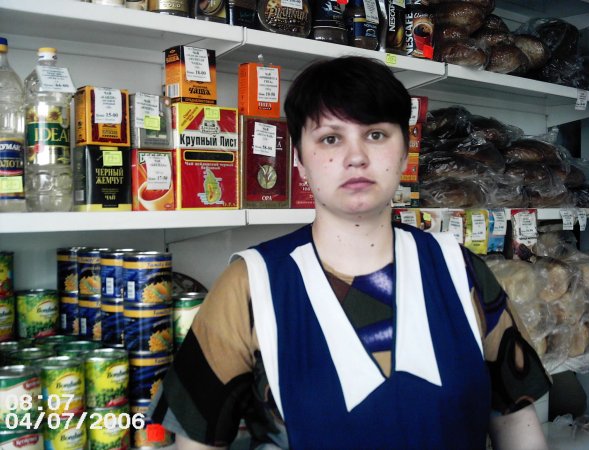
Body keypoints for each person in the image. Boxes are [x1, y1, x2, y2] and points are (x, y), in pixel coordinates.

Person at [150, 56, 551, 449]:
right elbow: (196, 442)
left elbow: (516, 422)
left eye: (375, 134)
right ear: (299, 159)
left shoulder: (459, 269)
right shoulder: (251, 285)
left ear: (405, 150)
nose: (355, 156)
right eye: (330, 138)